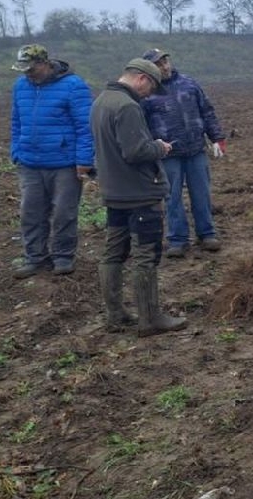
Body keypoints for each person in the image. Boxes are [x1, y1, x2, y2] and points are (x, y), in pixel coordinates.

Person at [91, 58, 185, 336]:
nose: (149, 94)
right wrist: (159, 147)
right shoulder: (127, 106)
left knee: (113, 253)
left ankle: (115, 315)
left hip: (114, 191)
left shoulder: (101, 101)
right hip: (140, 193)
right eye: (151, 87)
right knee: (146, 255)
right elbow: (135, 151)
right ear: (142, 79)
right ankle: (150, 318)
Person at [9, 44, 94, 278]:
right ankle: (35, 258)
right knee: (31, 213)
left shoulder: (73, 85)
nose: (28, 74)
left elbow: (85, 126)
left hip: (64, 163)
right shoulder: (20, 86)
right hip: (29, 163)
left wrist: (84, 160)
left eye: (31, 69)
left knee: (64, 213)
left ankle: (63, 257)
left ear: (44, 63)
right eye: (24, 70)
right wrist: (16, 150)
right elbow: (16, 122)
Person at [139, 49, 227, 257]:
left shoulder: (189, 83)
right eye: (159, 64)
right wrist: (149, 150)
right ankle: (177, 239)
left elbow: (206, 111)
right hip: (167, 153)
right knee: (173, 197)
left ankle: (207, 234)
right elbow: (141, 125)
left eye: (165, 61)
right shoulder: (147, 94)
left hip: (195, 149)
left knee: (201, 194)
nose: (164, 66)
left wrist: (217, 137)